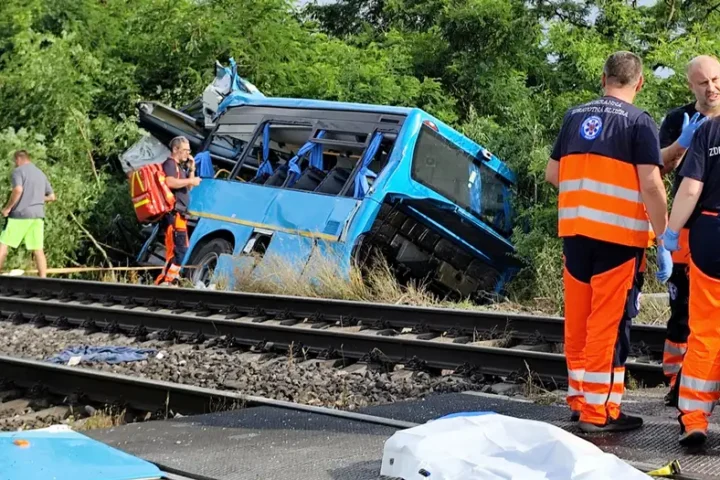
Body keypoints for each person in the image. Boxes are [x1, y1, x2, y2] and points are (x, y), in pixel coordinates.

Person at [544, 51, 670, 433]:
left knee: (579, 322)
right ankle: (599, 415)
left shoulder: (573, 116)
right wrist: (665, 235)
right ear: (640, 82)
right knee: (607, 325)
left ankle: (582, 401)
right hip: (617, 238)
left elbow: (553, 174)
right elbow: (650, 183)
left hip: (575, 234)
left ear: (603, 78)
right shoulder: (639, 122)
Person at [657, 55, 720, 406]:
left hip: (711, 224)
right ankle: (676, 381)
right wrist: (682, 143)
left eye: (715, 80)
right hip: (685, 230)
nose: (710, 88)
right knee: (683, 311)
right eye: (702, 82)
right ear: (690, 85)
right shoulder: (678, 119)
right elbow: (658, 167)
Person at [663, 115, 720, 446]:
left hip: (710, 231)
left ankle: (694, 419)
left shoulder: (710, 130)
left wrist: (672, 231)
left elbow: (691, 188)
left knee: (706, 330)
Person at [0, 150, 56, 278]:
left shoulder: (18, 171)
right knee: (38, 250)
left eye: (15, 161)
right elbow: (52, 197)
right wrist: (36, 198)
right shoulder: (40, 174)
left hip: (20, 215)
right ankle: (44, 280)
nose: (15, 164)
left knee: (3, 245)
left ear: (18, 159)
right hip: (37, 217)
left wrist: (7, 208)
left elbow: (18, 190)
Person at [155, 136, 201, 286]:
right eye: (185, 150)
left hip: (180, 216)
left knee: (179, 251)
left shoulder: (180, 168)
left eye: (189, 151)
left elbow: (189, 187)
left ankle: (168, 281)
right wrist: (190, 180)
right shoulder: (169, 164)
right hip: (173, 215)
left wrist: (192, 169)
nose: (188, 154)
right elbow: (170, 182)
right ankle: (164, 282)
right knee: (178, 251)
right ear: (175, 149)